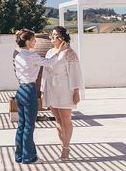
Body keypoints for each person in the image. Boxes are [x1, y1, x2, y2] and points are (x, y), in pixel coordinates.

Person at [13, 28, 61, 165]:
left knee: (21, 125)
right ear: (27, 41)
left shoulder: (18, 55)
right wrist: (59, 50)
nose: (35, 42)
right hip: (29, 91)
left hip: (20, 90)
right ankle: (29, 157)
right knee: (29, 126)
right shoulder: (31, 56)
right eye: (33, 40)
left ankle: (20, 156)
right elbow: (49, 62)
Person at [42, 26, 83, 160]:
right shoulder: (49, 52)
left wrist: (76, 91)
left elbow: (75, 73)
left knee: (66, 119)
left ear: (62, 38)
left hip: (65, 88)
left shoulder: (69, 53)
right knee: (57, 119)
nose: (52, 37)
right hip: (52, 88)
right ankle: (62, 146)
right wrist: (43, 90)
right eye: (52, 35)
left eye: (55, 35)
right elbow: (45, 71)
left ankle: (66, 148)